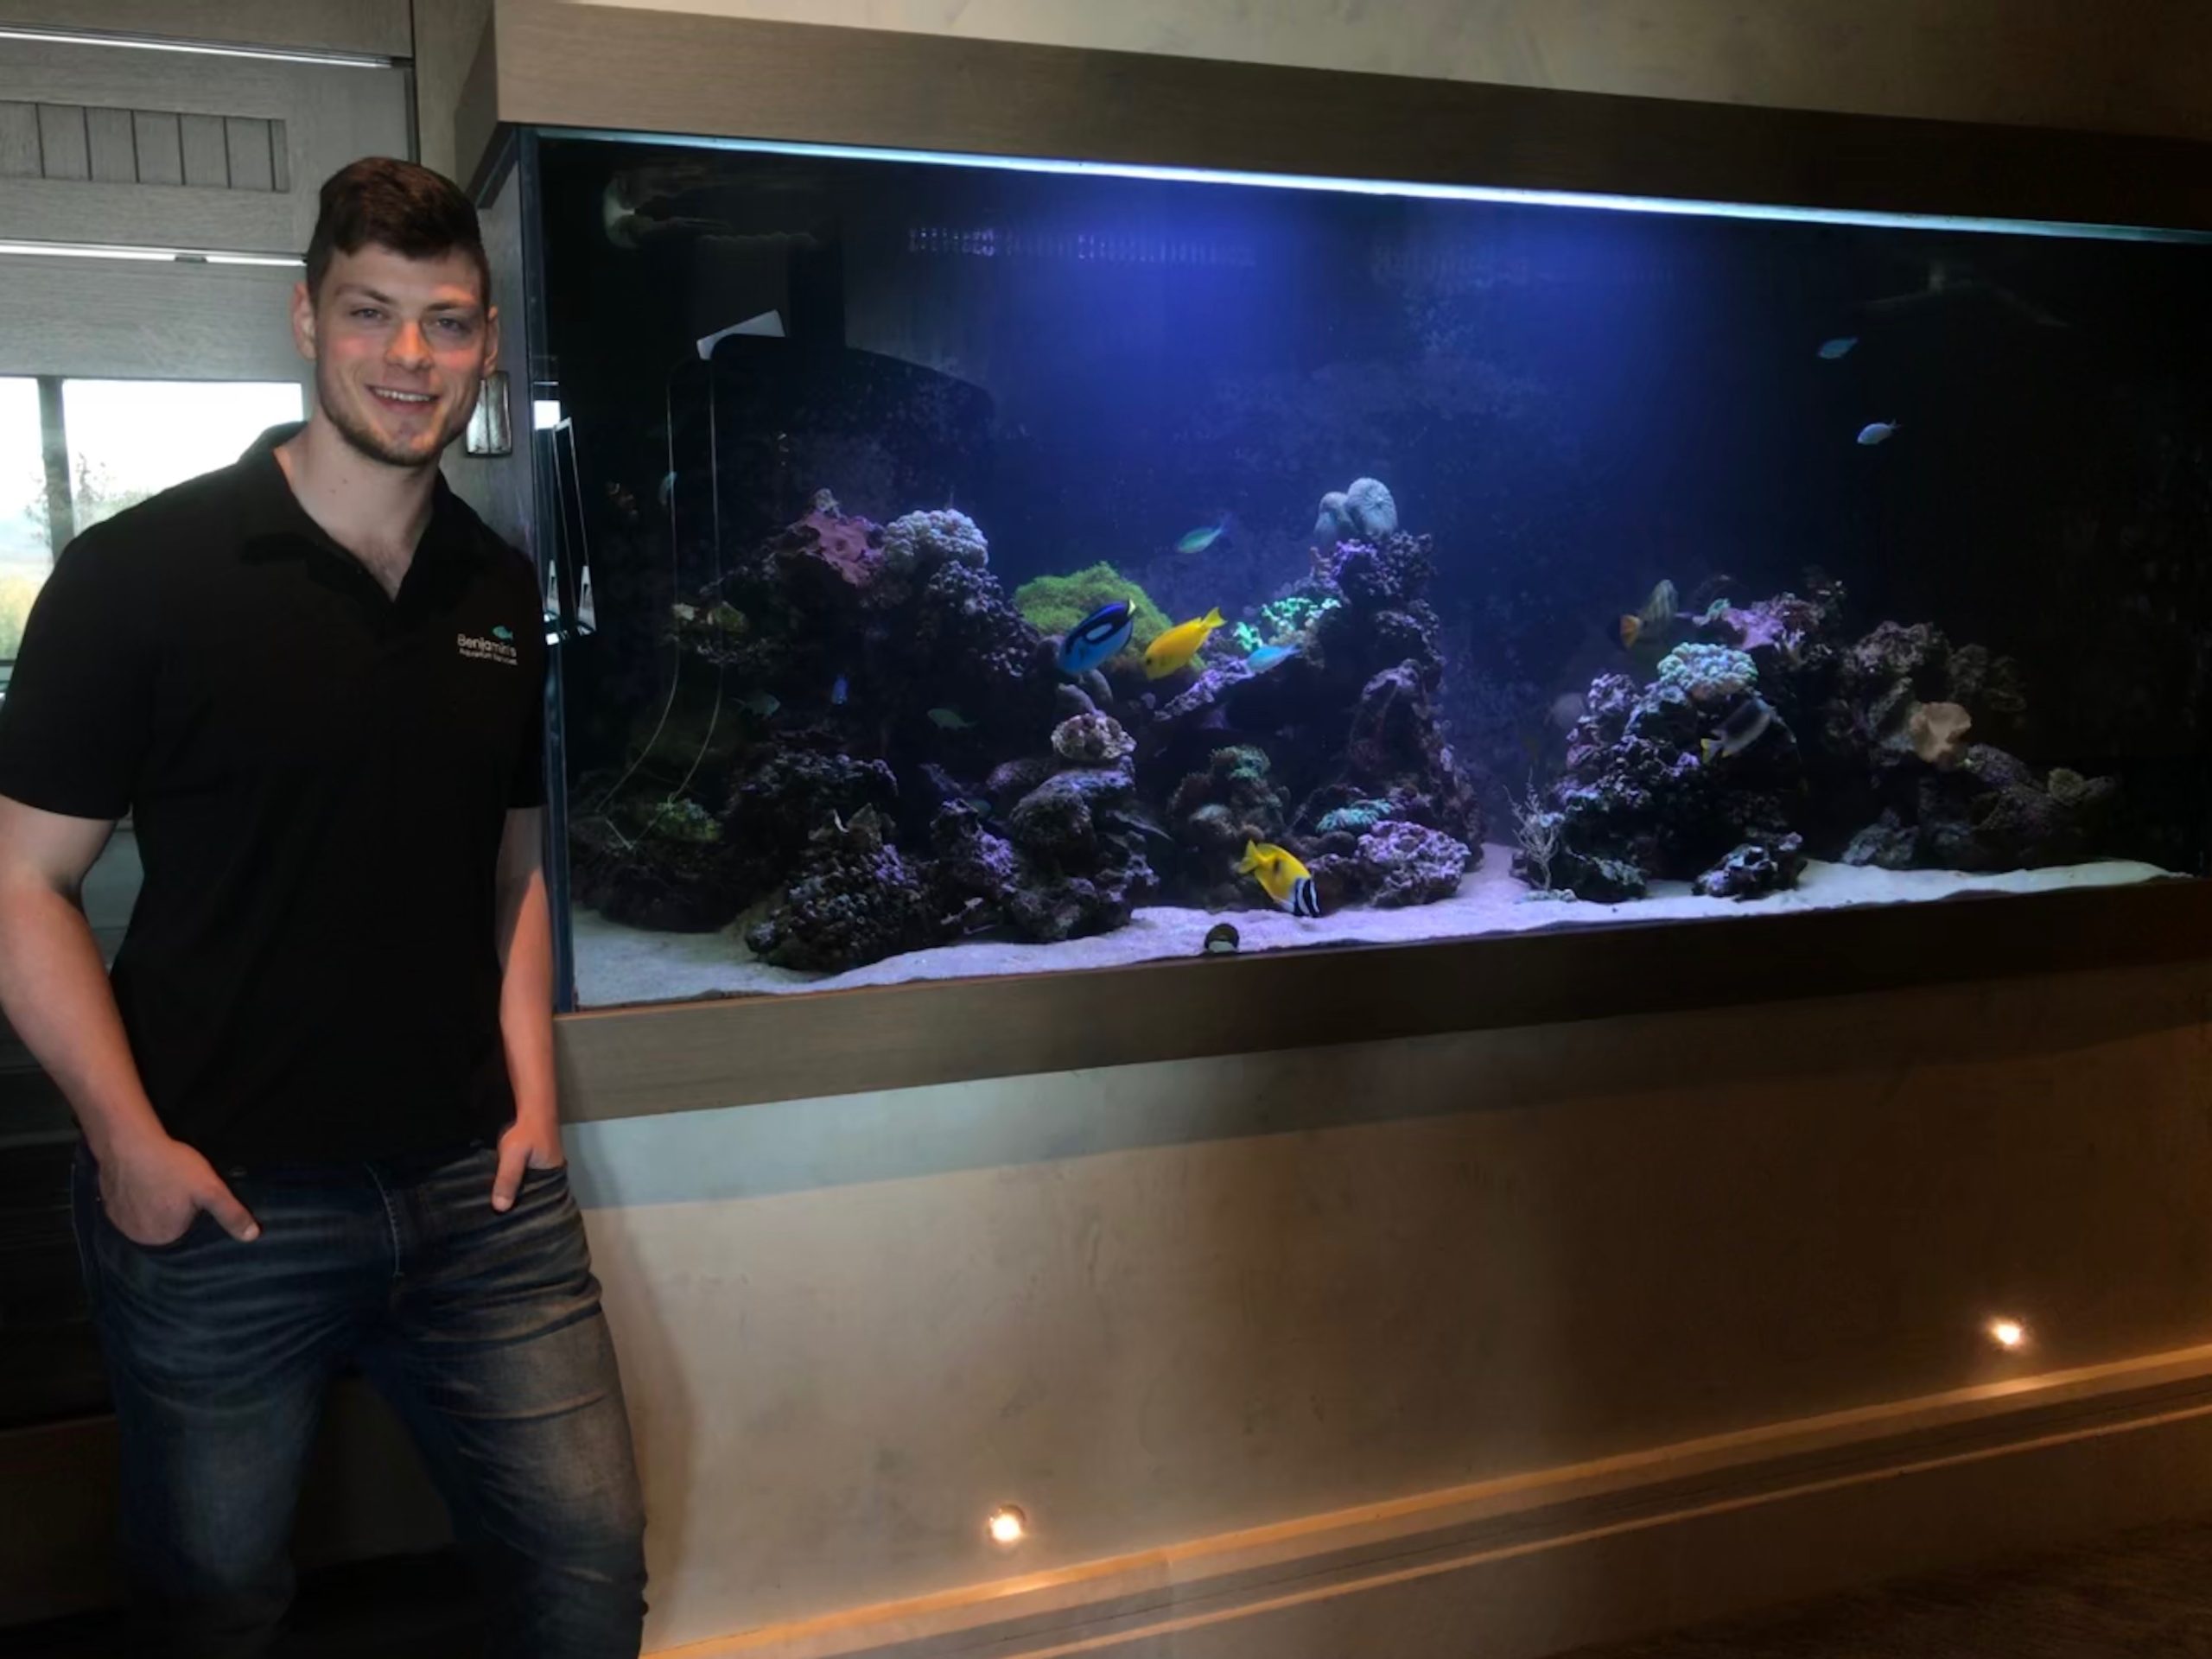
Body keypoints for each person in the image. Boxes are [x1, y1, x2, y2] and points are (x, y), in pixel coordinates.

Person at [0, 159, 647, 1657]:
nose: (410, 360)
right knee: (217, 1597)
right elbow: (23, 885)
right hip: (222, 1198)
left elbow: (513, 870)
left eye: (448, 323)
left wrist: (533, 1110)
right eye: (373, 315)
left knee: (587, 1570)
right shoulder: (140, 575)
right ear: (307, 319)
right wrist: (128, 1149)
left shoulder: (499, 591)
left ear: (487, 345)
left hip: (477, 1194)